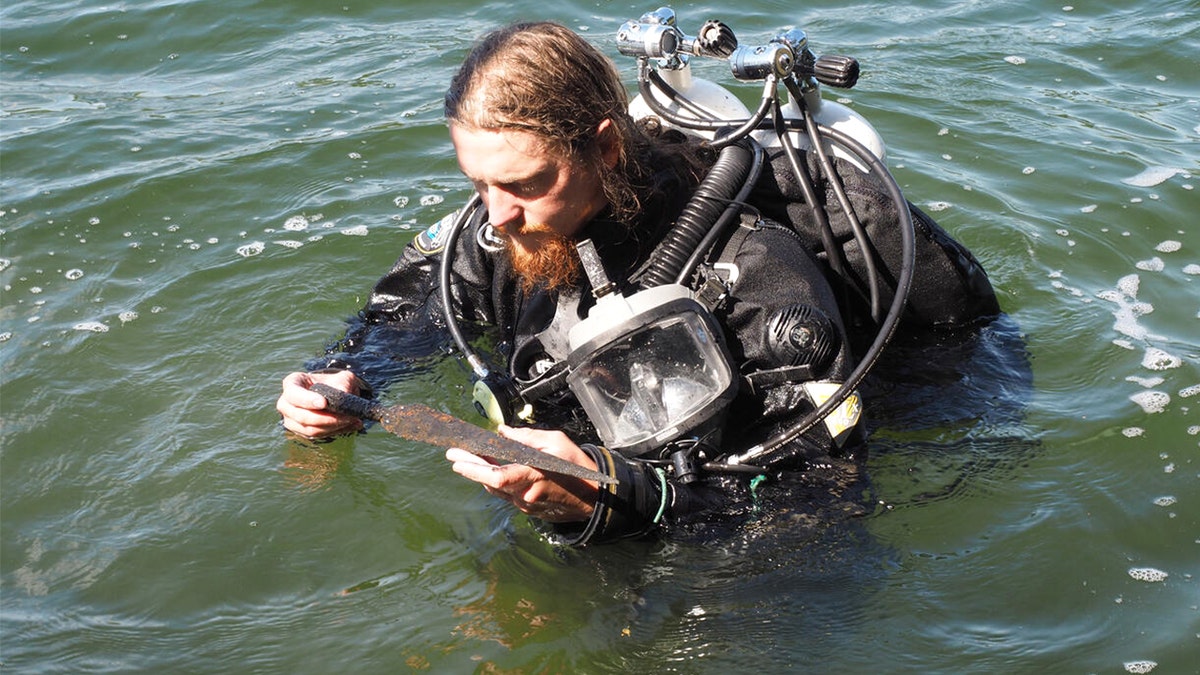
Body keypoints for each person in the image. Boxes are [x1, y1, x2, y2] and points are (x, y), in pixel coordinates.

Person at [276, 21, 1000, 545]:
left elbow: (818, 503)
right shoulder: (502, 226)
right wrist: (346, 375)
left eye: (525, 183)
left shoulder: (755, 274)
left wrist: (618, 492)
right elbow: (406, 312)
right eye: (479, 182)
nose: (497, 216)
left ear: (605, 146)